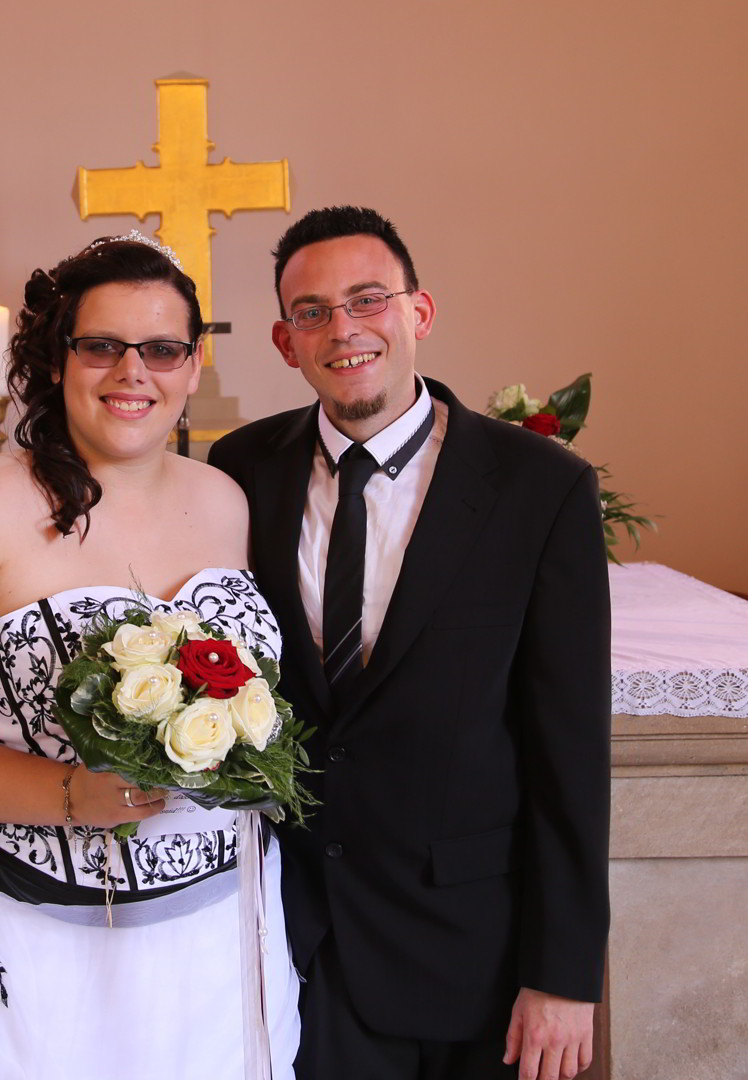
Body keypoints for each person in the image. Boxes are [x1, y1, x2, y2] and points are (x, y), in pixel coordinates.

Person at [0, 233, 301, 1079]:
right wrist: (65, 794)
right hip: (22, 944)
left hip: (215, 937)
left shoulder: (227, 501)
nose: (134, 371)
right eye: (102, 345)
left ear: (192, 364)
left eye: (162, 348)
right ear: (58, 361)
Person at [209, 206, 611, 1080]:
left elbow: (570, 755)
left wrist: (565, 974)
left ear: (418, 313)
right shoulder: (238, 473)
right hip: (295, 944)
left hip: (474, 955)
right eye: (311, 312)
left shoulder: (540, 488)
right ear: (285, 341)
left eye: (367, 300)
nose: (343, 329)